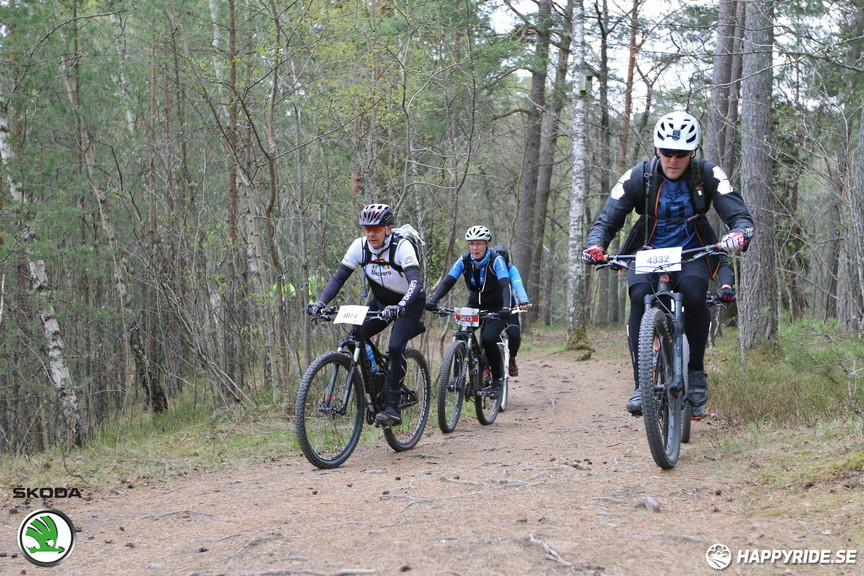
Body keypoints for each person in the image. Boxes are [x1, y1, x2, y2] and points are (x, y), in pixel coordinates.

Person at [581, 111, 754, 419]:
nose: (673, 160)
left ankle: (696, 371)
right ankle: (641, 385)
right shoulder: (639, 176)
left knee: (694, 291)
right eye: (666, 152)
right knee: (638, 298)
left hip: (692, 250)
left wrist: (739, 234)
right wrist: (596, 245)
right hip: (647, 250)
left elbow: (738, 214)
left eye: (682, 153)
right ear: (656, 149)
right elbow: (608, 218)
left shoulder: (708, 174)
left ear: (693, 152)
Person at [306, 203, 426, 427]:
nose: (371, 234)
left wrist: (401, 305)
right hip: (380, 302)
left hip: (409, 304)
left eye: (376, 229)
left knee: (395, 346)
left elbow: (415, 282)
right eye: (367, 229)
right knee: (355, 335)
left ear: (388, 228)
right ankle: (375, 383)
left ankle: (392, 404)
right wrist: (321, 302)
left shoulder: (402, 247)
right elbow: (339, 277)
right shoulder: (359, 247)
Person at [425, 226, 512, 399]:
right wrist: (433, 300)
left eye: (479, 244)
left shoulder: (496, 260)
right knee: (461, 335)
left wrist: (506, 308)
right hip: (474, 305)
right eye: (472, 244)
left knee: (488, 339)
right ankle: (458, 377)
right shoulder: (464, 260)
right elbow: (448, 281)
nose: (475, 248)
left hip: (497, 307)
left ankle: (497, 380)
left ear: (487, 244)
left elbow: (505, 284)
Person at [491, 245, 532, 377]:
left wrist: (524, 300)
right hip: (490, 309)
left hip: (510, 309)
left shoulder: (511, 269)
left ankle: (512, 359)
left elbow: (517, 284)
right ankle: (485, 365)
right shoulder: (487, 269)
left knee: (514, 335)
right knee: (487, 338)